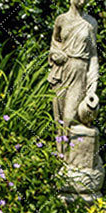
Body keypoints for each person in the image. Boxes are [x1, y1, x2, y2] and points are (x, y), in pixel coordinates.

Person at [48, 0, 99, 154]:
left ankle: (73, 157)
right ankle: (62, 159)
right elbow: (54, 44)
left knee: (70, 118)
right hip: (61, 71)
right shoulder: (61, 20)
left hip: (79, 72)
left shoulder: (90, 23)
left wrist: (93, 83)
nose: (83, 0)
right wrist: (55, 54)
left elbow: (93, 55)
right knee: (59, 119)